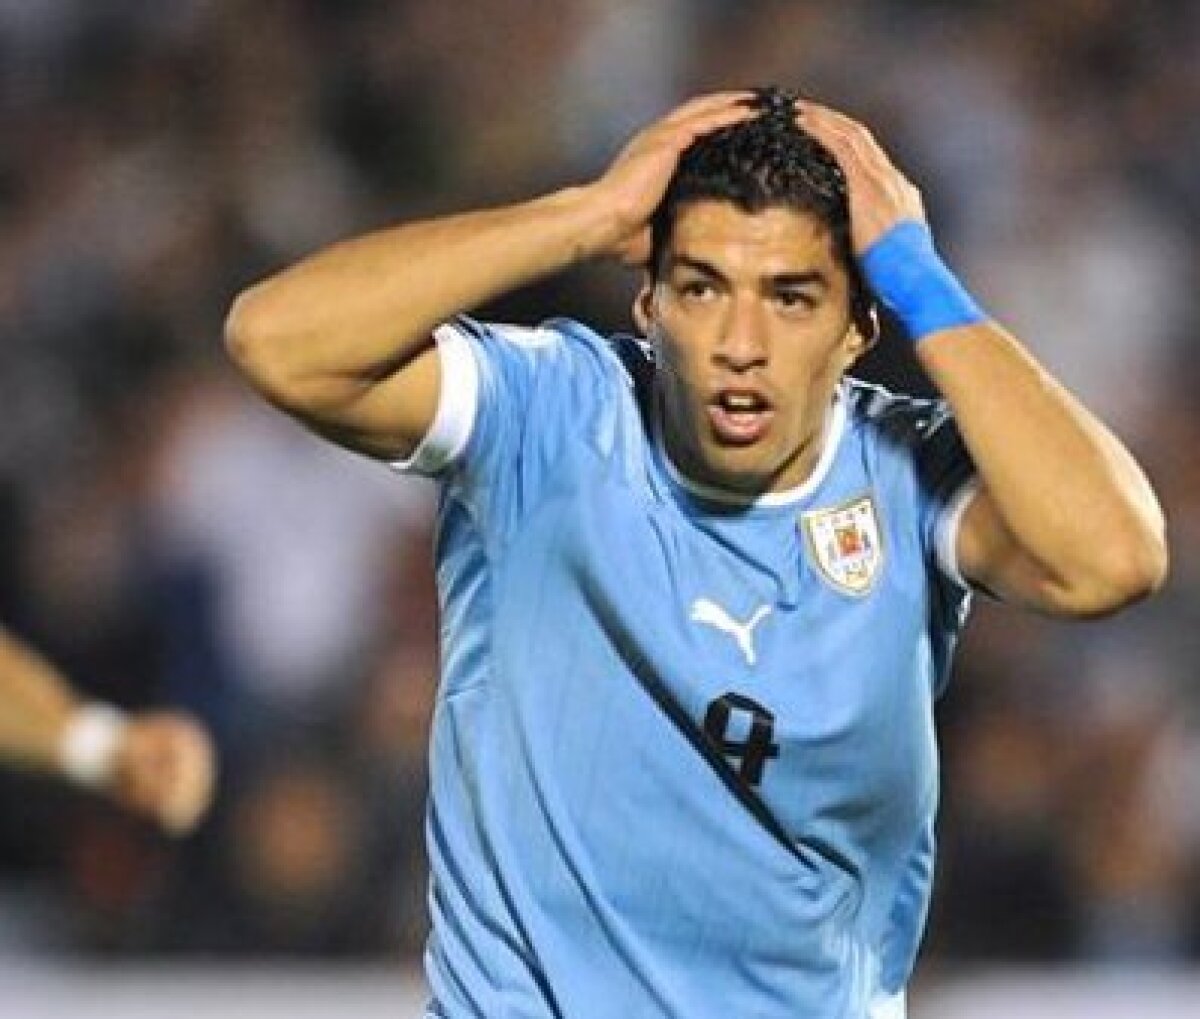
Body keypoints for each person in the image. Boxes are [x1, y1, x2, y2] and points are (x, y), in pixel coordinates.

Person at [224, 88, 1167, 1017]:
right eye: (703, 287)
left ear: (856, 329)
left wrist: (919, 277)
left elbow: (1115, 557)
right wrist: (584, 216)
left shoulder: (904, 473)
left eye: (790, 297)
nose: (740, 343)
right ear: (650, 302)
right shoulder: (550, 414)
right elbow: (276, 342)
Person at [0, 625, 215, 835]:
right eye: (163, 758)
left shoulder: (80, 825)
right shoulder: (113, 656)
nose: (149, 766)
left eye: (162, 782)